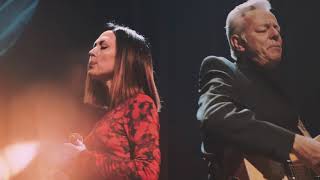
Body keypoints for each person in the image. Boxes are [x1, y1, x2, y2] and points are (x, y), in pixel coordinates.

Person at [196, 0, 320, 179]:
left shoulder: (280, 88)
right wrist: (295, 144)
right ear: (238, 43)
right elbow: (214, 116)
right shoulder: (222, 69)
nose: (275, 35)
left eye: (277, 28)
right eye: (263, 30)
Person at [51, 22, 161, 180]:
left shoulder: (141, 104)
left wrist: (81, 157)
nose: (91, 52)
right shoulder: (112, 113)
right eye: (94, 46)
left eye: (103, 47)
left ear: (126, 57)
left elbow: (147, 173)